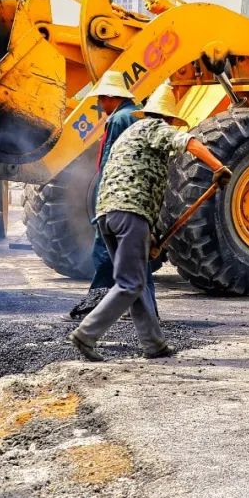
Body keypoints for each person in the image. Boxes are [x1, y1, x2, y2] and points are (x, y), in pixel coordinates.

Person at [69, 82, 230, 361]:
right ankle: (87, 334)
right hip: (129, 213)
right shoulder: (157, 128)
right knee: (129, 283)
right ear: (167, 118)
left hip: (109, 214)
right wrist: (219, 167)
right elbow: (188, 142)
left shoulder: (131, 133)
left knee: (138, 279)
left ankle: (154, 345)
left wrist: (151, 236)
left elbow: (142, 184)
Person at [67, 71, 154, 320]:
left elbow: (111, 163)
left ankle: (96, 305)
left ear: (110, 97)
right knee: (136, 254)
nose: (99, 105)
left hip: (117, 196)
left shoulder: (119, 120)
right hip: (135, 197)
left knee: (104, 251)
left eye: (101, 100)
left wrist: (104, 193)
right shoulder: (134, 115)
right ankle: (147, 311)